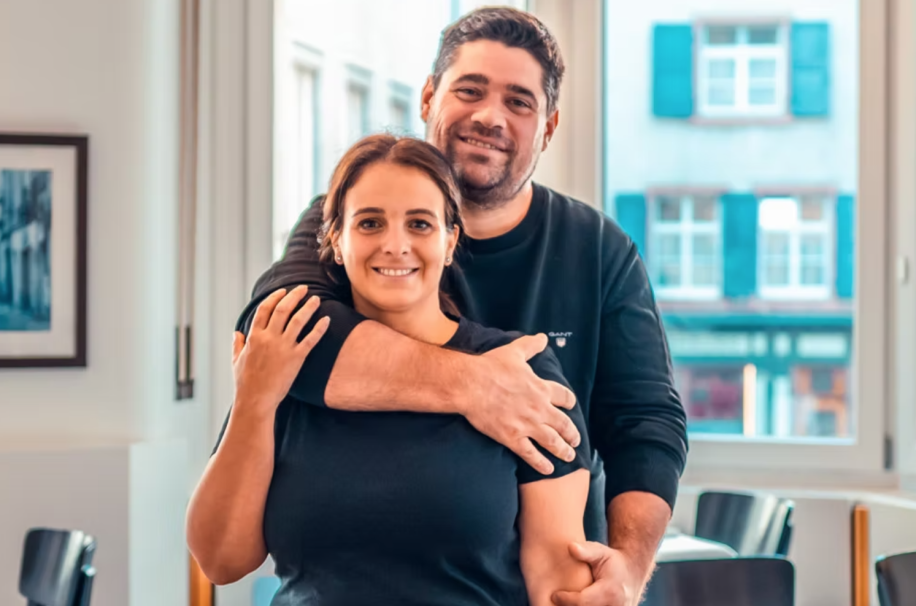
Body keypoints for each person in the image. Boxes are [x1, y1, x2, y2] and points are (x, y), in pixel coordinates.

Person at [238, 8, 688, 605]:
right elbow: (278, 335)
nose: (489, 116)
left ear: (548, 127)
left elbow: (646, 424)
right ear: (429, 97)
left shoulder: (598, 249)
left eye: (518, 102)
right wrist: (477, 386)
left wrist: (628, 569)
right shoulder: (350, 222)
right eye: (470, 90)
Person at [188, 134, 594, 606]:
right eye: (370, 223)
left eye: (419, 224)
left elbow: (558, 576)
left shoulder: (522, 371)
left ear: (450, 241)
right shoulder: (294, 358)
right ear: (336, 242)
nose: (395, 245)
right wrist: (254, 401)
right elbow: (220, 559)